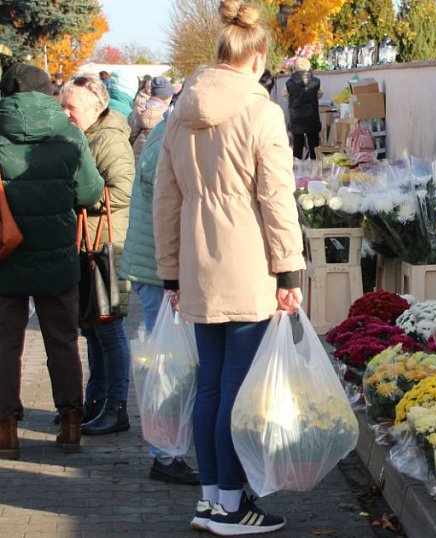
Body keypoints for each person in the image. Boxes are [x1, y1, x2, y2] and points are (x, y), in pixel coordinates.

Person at [154, 1, 304, 534]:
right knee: (238, 390)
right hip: (248, 265)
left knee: (212, 385)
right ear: (258, 55)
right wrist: (289, 271)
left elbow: (164, 201)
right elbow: (276, 197)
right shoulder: (262, 112)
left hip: (196, 265)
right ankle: (233, 506)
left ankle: (211, 500)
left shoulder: (178, 112)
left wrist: (170, 272)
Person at [0, 63, 104, 459]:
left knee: (5, 343)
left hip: (4, 254)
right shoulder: (70, 135)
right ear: (48, 93)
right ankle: (71, 422)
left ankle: (6, 429)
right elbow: (91, 192)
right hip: (58, 253)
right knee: (62, 340)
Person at [120, 111, 200, 485]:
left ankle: (168, 451)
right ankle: (164, 455)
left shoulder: (168, 133)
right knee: (170, 366)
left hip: (158, 270)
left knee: (173, 364)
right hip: (159, 274)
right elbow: (173, 212)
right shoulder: (170, 142)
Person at [59, 75, 136, 435]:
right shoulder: (85, 135)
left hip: (106, 247)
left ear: (95, 107)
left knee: (109, 327)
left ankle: (116, 406)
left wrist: (83, 196)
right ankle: (96, 400)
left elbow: (123, 191)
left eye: (70, 106)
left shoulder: (109, 141)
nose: (65, 112)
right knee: (92, 328)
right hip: (88, 244)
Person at [128, 76, 174, 163]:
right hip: (157, 161)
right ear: (168, 97)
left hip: (134, 158)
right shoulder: (169, 116)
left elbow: (130, 135)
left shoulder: (137, 110)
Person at [284, 57, 322, 159]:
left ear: (296, 68)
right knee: (314, 144)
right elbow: (320, 94)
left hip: (296, 117)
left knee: (297, 145)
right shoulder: (316, 81)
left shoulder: (289, 83)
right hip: (312, 116)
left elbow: (286, 96)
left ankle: (297, 169)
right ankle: (315, 168)